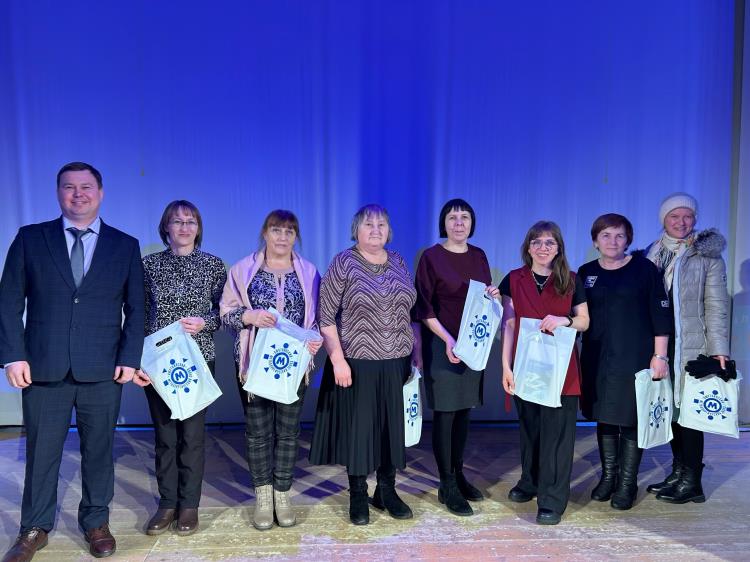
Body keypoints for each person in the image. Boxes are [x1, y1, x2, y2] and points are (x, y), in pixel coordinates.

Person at [0, 162, 145, 560]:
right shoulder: (31, 238)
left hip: (103, 368)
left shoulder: (125, 245)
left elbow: (137, 309)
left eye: (86, 186)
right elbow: (8, 302)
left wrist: (130, 357)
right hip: (43, 367)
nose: (78, 194)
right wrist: (13, 356)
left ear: (100, 192)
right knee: (41, 452)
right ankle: (34, 528)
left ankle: (96, 522)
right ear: (58, 193)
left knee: (99, 451)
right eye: (69, 187)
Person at [309, 204, 418, 526]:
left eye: (381, 224)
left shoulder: (399, 261)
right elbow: (325, 317)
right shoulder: (344, 262)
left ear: (389, 231)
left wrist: (415, 352)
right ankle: (358, 493)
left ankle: (386, 490)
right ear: (356, 230)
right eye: (368, 224)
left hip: (397, 361)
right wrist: (337, 360)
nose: (375, 230)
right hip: (357, 362)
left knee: (390, 429)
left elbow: (409, 312)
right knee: (360, 432)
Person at [220, 210, 321, 530]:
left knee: (288, 432)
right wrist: (249, 317)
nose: (282, 236)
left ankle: (282, 495)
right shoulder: (242, 269)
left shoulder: (309, 272)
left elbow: (318, 317)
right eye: (276, 230)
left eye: (289, 231)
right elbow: (225, 312)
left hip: (293, 365)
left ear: (296, 237)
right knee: (258, 432)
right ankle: (263, 497)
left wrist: (314, 338)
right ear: (265, 233)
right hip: (253, 365)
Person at [136, 200, 226, 536]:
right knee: (165, 436)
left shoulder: (213, 265)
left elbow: (225, 313)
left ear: (198, 228)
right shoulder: (148, 266)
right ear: (166, 228)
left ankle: (189, 505)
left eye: (191, 221)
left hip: (198, 361)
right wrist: (138, 360)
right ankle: (167, 504)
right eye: (177, 221)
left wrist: (205, 322)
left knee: (192, 437)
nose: (184, 227)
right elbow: (138, 315)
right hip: (158, 364)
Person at [578, 214, 671, 510]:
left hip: (636, 357)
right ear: (595, 241)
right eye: (605, 235)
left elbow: (661, 315)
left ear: (628, 239)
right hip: (597, 357)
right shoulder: (586, 272)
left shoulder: (645, 269)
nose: (612, 241)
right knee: (604, 415)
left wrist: (660, 356)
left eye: (619, 235)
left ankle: (627, 483)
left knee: (631, 418)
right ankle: (609, 477)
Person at [500, 220, 589, 526]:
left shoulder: (571, 280)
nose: (542, 247)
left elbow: (584, 321)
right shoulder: (513, 279)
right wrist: (506, 367)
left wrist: (564, 320)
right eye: (536, 242)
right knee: (531, 430)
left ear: (558, 248)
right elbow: (508, 324)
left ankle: (551, 499)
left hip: (561, 371)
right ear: (528, 247)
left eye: (549, 242)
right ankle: (530, 481)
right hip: (525, 366)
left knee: (558, 436)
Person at [413, 198, 499, 516]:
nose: (459, 223)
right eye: (453, 217)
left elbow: (483, 296)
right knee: (446, 413)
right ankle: (446, 484)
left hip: (472, 343)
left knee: (464, 411)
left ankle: (459, 474)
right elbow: (423, 307)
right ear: (444, 223)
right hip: (442, 344)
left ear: (472, 223)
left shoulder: (479, 255)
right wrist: (448, 340)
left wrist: (493, 294)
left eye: (465, 217)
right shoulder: (431, 257)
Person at [644, 193, 730, 503]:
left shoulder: (706, 256)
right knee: (670, 410)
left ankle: (693, 480)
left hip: (693, 345)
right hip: (661, 343)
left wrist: (719, 350)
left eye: (687, 216)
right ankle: (679, 471)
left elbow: (717, 305)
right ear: (663, 220)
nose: (681, 222)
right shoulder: (651, 253)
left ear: (695, 219)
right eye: (674, 216)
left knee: (690, 413)